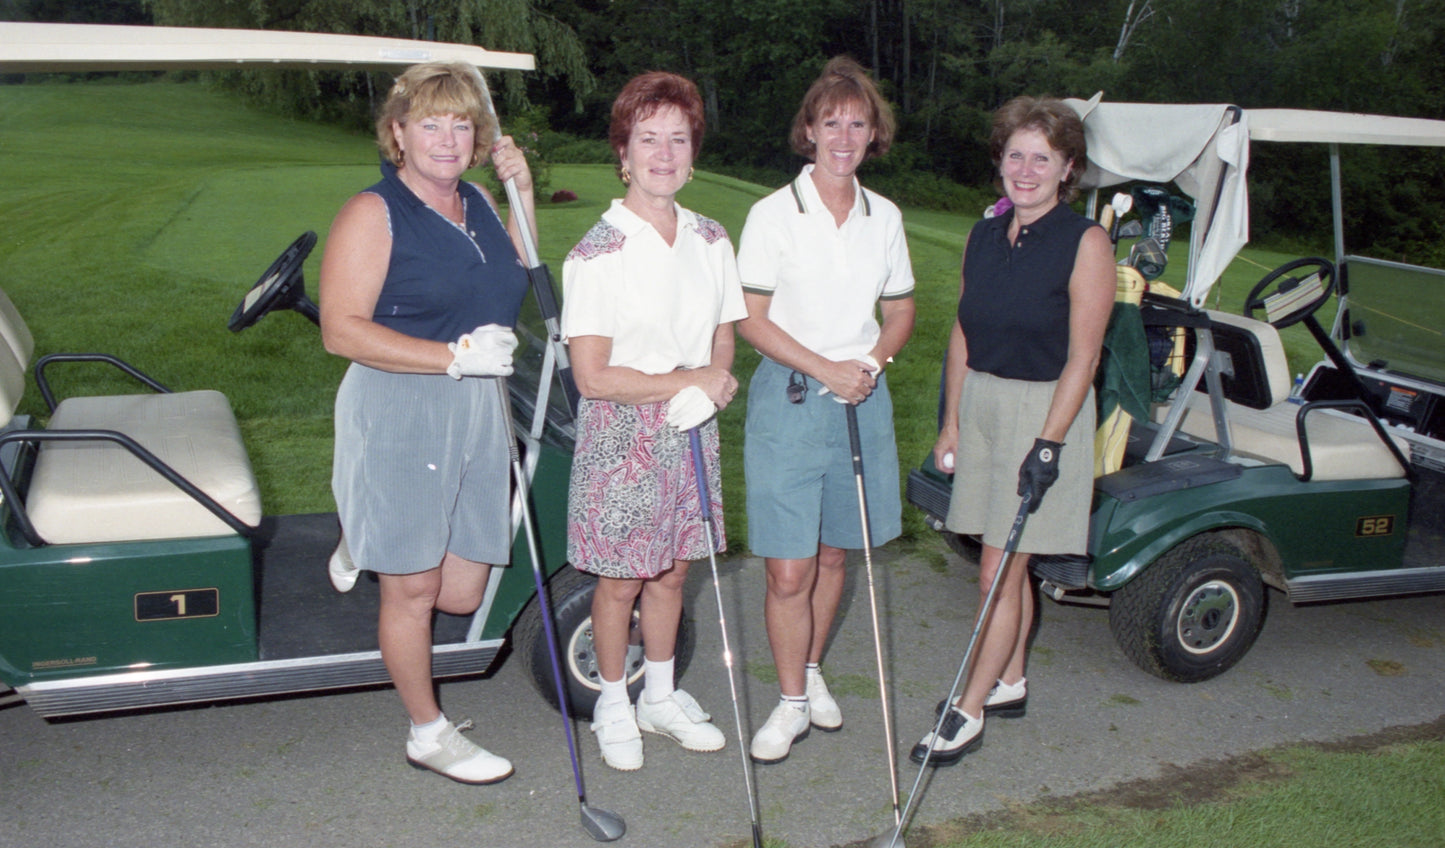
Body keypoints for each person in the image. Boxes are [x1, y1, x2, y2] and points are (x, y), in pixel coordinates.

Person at [318, 62, 537, 785]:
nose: (448, 137)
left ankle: (368, 533)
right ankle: (428, 731)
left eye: (462, 123)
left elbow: (522, 271)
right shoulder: (372, 213)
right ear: (398, 132)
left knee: (463, 589)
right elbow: (341, 332)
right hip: (402, 406)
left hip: (477, 407)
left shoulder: (474, 198)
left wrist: (521, 192)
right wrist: (453, 356)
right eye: (431, 122)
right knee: (411, 591)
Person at [911, 96, 1114, 765]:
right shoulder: (982, 234)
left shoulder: (1084, 242)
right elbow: (965, 328)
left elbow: (1083, 357)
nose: (1025, 169)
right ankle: (1011, 680)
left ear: (1066, 170)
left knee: (997, 570)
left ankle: (966, 709)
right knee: (1006, 561)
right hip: (985, 406)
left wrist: (1050, 442)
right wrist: (952, 419)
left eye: (1042, 158)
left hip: (1045, 410)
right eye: (1015, 154)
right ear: (999, 160)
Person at [560, 71, 746, 772]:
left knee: (672, 573)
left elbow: (725, 330)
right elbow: (593, 375)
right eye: (647, 139)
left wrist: (715, 382)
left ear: (692, 153)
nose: (662, 154)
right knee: (621, 581)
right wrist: (690, 381)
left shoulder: (709, 238)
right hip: (623, 436)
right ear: (623, 152)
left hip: (692, 425)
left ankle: (660, 697)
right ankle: (614, 702)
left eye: (677, 139)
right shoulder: (597, 252)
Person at [735, 56, 915, 764]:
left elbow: (898, 310)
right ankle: (787, 704)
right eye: (830, 122)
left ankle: (808, 672)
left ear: (874, 135)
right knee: (789, 568)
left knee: (836, 551)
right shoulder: (772, 214)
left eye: (858, 123)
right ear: (808, 130)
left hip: (862, 395)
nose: (844, 136)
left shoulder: (885, 217)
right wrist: (826, 369)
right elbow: (750, 317)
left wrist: (867, 366)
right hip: (791, 397)